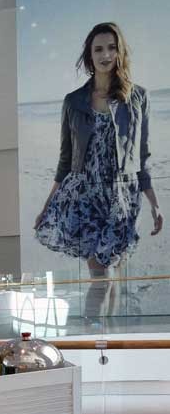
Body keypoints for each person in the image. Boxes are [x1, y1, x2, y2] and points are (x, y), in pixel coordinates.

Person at [34, 22, 164, 320]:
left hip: (122, 198)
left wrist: (154, 204)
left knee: (112, 274)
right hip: (85, 197)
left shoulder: (138, 97)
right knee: (101, 277)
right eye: (98, 49)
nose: (105, 55)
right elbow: (65, 160)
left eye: (111, 48)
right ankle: (92, 335)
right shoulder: (73, 101)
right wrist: (46, 206)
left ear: (120, 52)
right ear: (89, 56)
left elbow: (142, 156)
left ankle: (110, 336)